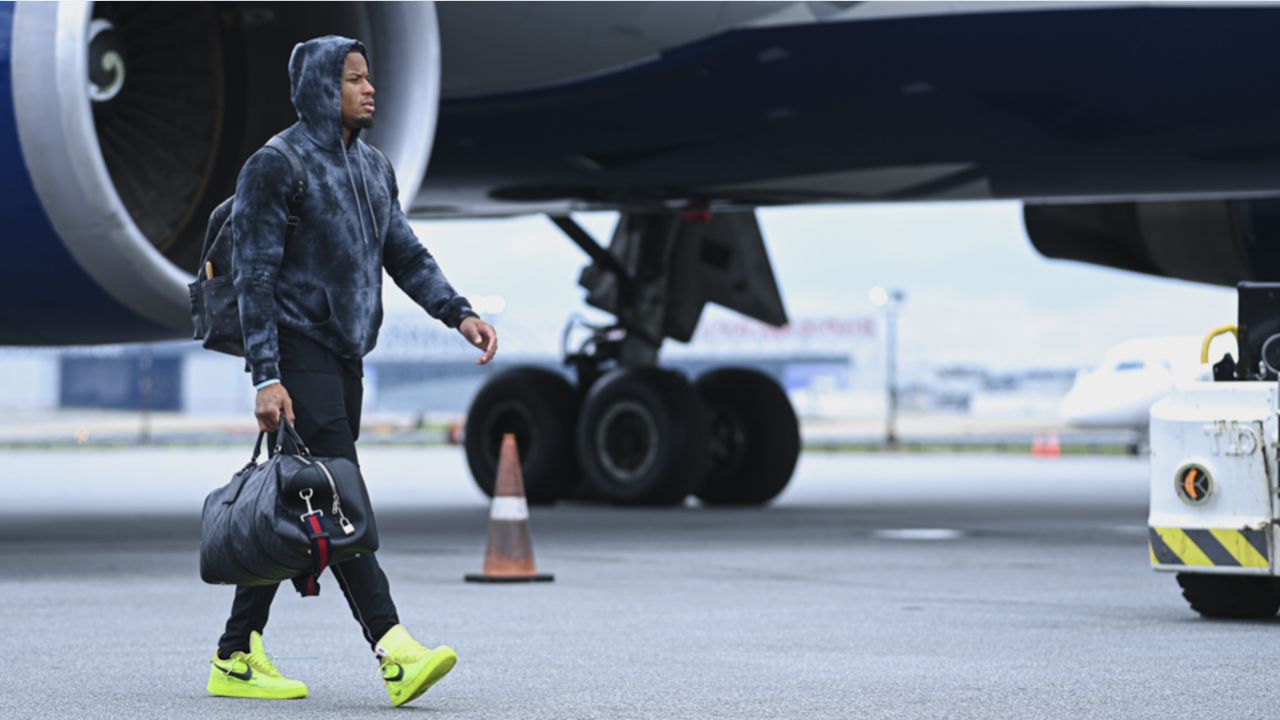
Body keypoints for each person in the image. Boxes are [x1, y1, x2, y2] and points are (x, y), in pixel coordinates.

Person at [209, 35, 497, 707]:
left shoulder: (371, 167)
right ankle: (393, 647)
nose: (370, 90)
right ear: (319, 88)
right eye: (354, 79)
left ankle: (234, 653)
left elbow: (404, 250)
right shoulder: (275, 167)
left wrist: (459, 313)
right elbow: (253, 279)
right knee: (337, 501)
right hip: (296, 355)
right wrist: (265, 376)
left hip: (344, 358)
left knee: (305, 498)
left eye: (369, 79)